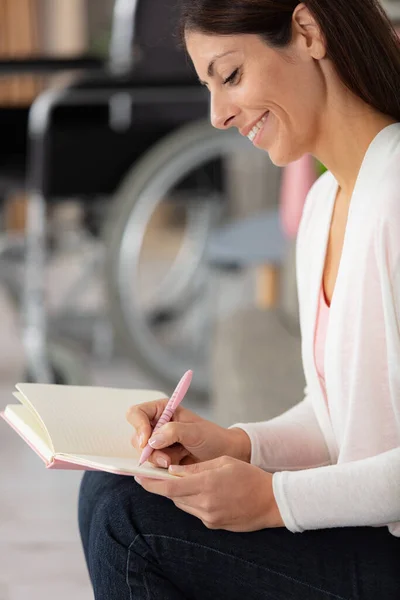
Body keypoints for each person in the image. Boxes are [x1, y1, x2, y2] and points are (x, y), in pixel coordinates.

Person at [78, 1, 400, 598]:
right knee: (110, 488)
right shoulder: (326, 202)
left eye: (230, 77)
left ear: (307, 33)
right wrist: (236, 445)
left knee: (132, 522)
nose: (219, 114)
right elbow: (339, 419)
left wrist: (272, 500)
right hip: (369, 537)